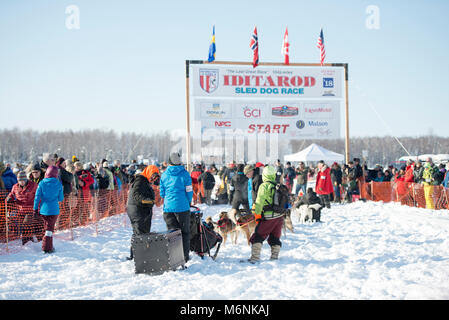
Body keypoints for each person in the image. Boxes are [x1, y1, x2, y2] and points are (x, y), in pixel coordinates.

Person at [246, 166, 289, 263]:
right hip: (279, 217)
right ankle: (274, 257)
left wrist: (256, 214)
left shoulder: (264, 186)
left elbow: (259, 202)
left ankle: (255, 258)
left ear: (264, 175)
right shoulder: (278, 185)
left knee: (258, 236)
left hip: (268, 217)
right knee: (275, 237)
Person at [160, 152, 193, 263]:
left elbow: (162, 193)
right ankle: (185, 257)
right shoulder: (185, 174)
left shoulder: (164, 175)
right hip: (183, 208)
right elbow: (189, 191)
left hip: (168, 209)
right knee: (184, 233)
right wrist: (188, 202)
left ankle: (173, 258)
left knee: (172, 234)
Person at [126, 165, 160, 260]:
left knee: (139, 233)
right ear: (148, 172)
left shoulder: (145, 181)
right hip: (137, 210)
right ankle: (139, 257)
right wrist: (147, 201)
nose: (153, 179)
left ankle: (136, 255)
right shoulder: (140, 180)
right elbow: (136, 195)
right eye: (153, 176)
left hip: (140, 210)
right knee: (140, 233)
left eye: (155, 177)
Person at [33, 166, 64, 253]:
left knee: (47, 229)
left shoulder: (42, 183)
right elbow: (61, 198)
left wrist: (35, 209)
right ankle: (46, 248)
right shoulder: (58, 184)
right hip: (54, 210)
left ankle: (48, 246)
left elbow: (37, 197)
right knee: (49, 230)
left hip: (43, 210)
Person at [6, 171, 40, 245]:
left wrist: (37, 208)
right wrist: (9, 198)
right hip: (20, 210)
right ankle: (29, 239)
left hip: (31, 209)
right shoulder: (15, 187)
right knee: (21, 225)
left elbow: (39, 196)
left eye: (23, 181)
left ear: (26, 179)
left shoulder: (33, 185)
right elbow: (12, 194)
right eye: (20, 181)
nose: (21, 182)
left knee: (26, 223)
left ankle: (27, 242)